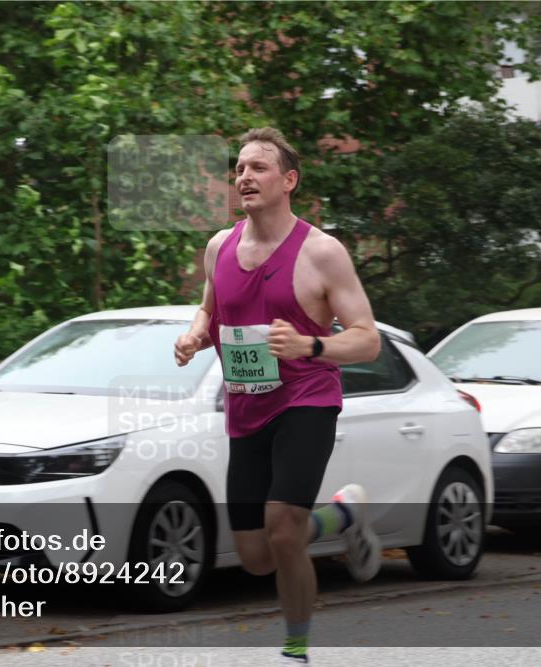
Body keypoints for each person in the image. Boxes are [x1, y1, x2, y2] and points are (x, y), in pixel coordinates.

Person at [174, 127, 382, 664]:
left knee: (284, 531)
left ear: (289, 180)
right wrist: (195, 334)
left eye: (258, 167)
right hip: (246, 407)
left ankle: (295, 651)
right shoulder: (219, 247)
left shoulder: (322, 252)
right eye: (240, 168)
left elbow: (368, 339)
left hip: (306, 400)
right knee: (256, 557)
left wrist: (311, 345)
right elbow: (210, 307)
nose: (244, 176)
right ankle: (341, 517)